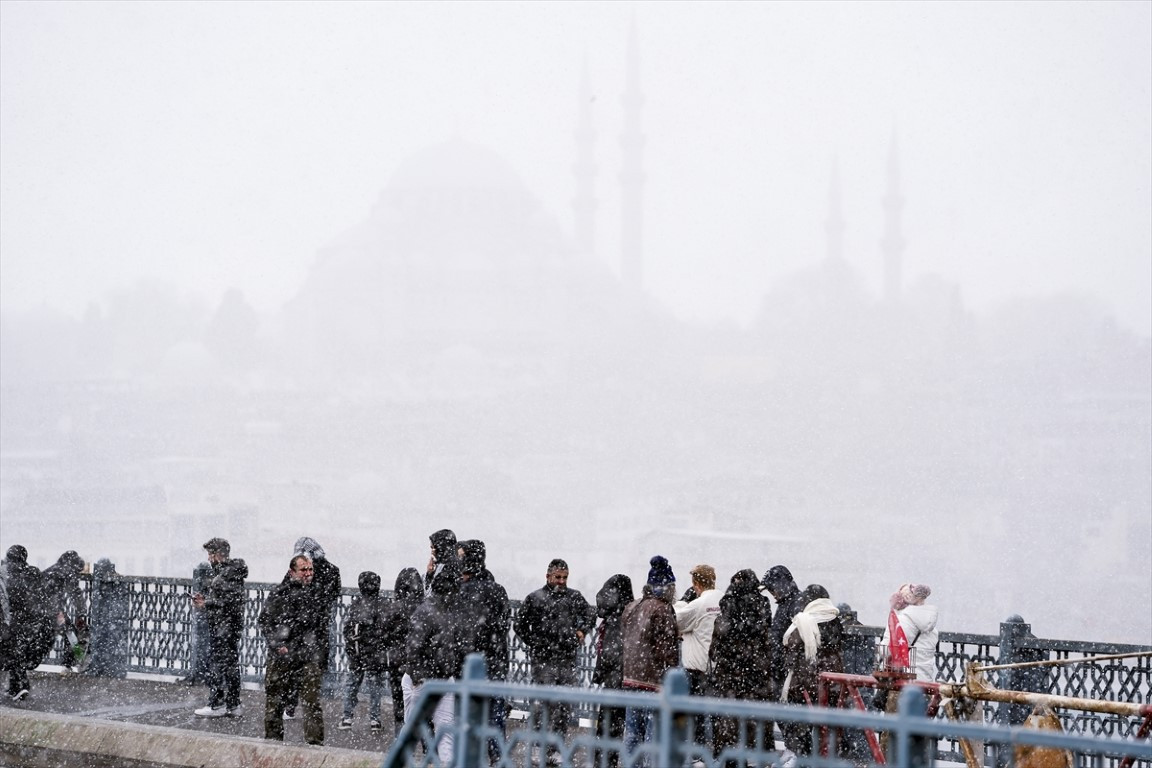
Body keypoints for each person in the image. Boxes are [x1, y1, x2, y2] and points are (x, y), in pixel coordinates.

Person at [513, 558, 595, 766]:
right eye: (557, 577)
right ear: (548, 576)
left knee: (564, 706)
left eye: (564, 578)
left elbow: (590, 615)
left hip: (567, 660)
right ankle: (539, 747)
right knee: (544, 705)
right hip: (543, 660)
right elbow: (520, 625)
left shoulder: (574, 597)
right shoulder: (535, 598)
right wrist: (535, 643)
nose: (561, 581)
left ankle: (555, 748)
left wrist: (581, 631)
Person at [402, 560, 471, 765]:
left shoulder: (430, 611)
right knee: (442, 727)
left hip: (429, 677)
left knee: (417, 727)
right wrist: (419, 677)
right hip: (430, 678)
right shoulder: (437, 613)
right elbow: (414, 648)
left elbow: (413, 648)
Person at [260, 555, 327, 745]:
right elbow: (265, 622)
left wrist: (320, 655)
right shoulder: (279, 594)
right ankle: (272, 743)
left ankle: (314, 745)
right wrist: (276, 645)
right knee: (275, 701)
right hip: (283, 656)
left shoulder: (316, 594)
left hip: (307, 655)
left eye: (310, 569)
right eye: (303, 570)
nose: (308, 574)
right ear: (292, 572)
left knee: (312, 703)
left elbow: (321, 629)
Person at [709, 569, 774, 765]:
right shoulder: (763, 610)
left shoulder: (727, 610)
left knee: (728, 725)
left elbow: (715, 650)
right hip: (756, 679)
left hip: (729, 679)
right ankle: (762, 758)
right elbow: (768, 644)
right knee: (757, 723)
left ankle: (729, 759)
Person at [621, 555, 680, 764]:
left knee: (632, 732)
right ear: (665, 587)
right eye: (672, 586)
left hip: (630, 678)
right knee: (652, 734)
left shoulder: (632, 606)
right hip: (653, 681)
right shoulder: (662, 609)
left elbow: (626, 639)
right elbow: (667, 651)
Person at [458, 539, 511, 762]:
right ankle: (497, 757)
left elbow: (459, 630)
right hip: (494, 662)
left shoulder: (460, 592)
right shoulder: (497, 589)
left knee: (465, 717)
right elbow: (502, 625)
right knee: (495, 718)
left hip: (469, 665)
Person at [779, 585, 844, 757]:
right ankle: (828, 755)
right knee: (828, 723)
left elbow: (790, 657)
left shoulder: (804, 622)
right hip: (832, 683)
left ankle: (800, 755)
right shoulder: (834, 619)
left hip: (806, 683)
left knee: (798, 719)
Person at [282, 536, 340, 717]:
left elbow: (286, 592)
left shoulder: (299, 571)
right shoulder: (332, 571)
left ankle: (290, 708)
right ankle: (314, 707)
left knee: (294, 670)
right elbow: (334, 593)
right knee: (315, 670)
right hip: (320, 628)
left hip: (300, 630)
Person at [193, 537, 248, 717]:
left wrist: (206, 603)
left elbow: (227, 601)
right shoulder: (231, 572)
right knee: (230, 664)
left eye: (210, 554)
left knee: (219, 663)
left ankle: (218, 703)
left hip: (224, 626)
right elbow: (230, 599)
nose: (209, 559)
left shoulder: (226, 574)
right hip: (229, 626)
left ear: (218, 555)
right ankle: (233, 704)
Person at [674, 564, 722, 749]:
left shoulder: (698, 604)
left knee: (696, 714)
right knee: (717, 714)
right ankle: (717, 752)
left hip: (696, 667)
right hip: (717, 665)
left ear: (696, 584)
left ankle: (696, 752)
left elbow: (675, 621)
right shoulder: (723, 599)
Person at [592, 573, 634, 768]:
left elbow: (608, 652)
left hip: (612, 676)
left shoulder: (611, 617)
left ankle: (602, 760)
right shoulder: (629, 614)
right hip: (623, 676)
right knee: (618, 722)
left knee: (606, 720)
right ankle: (610, 760)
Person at [340, 571, 389, 731]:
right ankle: (375, 719)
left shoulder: (356, 605)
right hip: (375, 654)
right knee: (375, 686)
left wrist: (352, 648)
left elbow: (347, 629)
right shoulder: (382, 604)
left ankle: (347, 717)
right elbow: (386, 631)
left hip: (357, 652)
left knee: (352, 684)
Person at [3, 545, 52, 701]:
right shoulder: (33, 573)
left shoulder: (9, 576)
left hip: (16, 622)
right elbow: (44, 596)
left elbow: (7, 601)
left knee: (12, 653)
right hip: (36, 622)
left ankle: (20, 686)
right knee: (17, 654)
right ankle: (15, 687)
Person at [382, 567, 425, 733]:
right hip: (418, 662)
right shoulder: (424, 608)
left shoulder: (392, 609)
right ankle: (424, 741)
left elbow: (383, 637)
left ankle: (400, 737)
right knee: (421, 702)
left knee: (399, 701)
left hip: (396, 661)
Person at [880, 583, 938, 682]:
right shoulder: (931, 622)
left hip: (902, 677)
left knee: (882, 697)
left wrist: (880, 651)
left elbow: (889, 650)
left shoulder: (902, 621)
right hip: (923, 677)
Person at [40, 550, 87, 672]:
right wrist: (82, 612)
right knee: (71, 634)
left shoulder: (54, 568)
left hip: (38, 609)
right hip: (54, 610)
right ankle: (73, 663)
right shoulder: (68, 572)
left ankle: (25, 661)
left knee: (44, 635)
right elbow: (75, 594)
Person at [762, 564, 803, 701]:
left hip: (786, 670)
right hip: (781, 668)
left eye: (772, 589)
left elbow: (794, 638)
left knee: (785, 714)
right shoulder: (788, 603)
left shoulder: (794, 604)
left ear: (780, 586)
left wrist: (780, 662)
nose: (772, 594)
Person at [84, 559, 131, 678]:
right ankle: (112, 669)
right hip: (113, 620)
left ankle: (93, 666)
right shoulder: (119, 580)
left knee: (96, 641)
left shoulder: (108, 581)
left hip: (104, 620)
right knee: (111, 643)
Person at [181, 559, 213, 685]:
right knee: (204, 646)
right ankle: (202, 674)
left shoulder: (219, 582)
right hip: (209, 619)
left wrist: (205, 604)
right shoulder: (218, 580)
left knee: (205, 646)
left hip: (210, 619)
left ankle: (201, 674)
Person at [424, 529, 458, 597]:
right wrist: (430, 574)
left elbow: (431, 597)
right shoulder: (444, 565)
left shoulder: (449, 570)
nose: (432, 552)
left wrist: (430, 577)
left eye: (434, 548)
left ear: (441, 548)